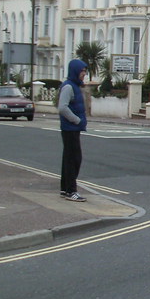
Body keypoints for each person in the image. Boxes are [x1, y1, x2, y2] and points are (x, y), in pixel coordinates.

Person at [57, 58, 89, 201]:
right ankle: (71, 191)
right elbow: (62, 108)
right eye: (82, 71)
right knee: (74, 159)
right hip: (70, 128)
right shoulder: (69, 87)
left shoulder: (74, 86)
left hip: (72, 128)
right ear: (75, 71)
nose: (84, 74)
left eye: (85, 71)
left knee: (68, 158)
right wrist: (77, 120)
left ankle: (65, 189)